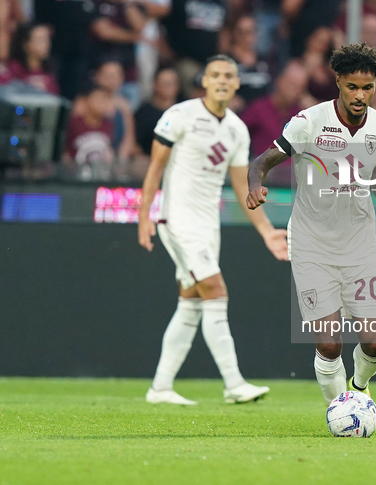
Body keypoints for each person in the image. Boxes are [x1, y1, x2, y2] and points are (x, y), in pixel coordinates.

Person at [246, 43, 376, 405]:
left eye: (367, 87)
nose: (360, 95)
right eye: (352, 86)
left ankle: (359, 389)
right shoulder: (308, 122)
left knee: (375, 343)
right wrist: (256, 184)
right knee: (330, 344)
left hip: (360, 245)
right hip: (311, 244)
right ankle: (340, 411)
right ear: (338, 82)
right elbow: (261, 162)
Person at [138, 55, 288, 405]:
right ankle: (234, 384)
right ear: (204, 81)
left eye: (229, 76)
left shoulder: (236, 128)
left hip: (208, 224)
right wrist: (144, 214)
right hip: (178, 219)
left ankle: (160, 388)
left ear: (237, 84)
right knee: (216, 291)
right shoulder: (180, 115)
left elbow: (240, 187)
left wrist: (266, 231)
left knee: (190, 302)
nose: (222, 81)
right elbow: (155, 167)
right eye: (215, 75)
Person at [63, 84, 116, 180]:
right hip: (75, 176)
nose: (102, 103)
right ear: (86, 101)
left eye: (105, 100)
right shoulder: (73, 122)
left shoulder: (108, 124)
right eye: (98, 99)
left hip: (101, 176)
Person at [135, 67, 180, 156]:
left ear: (177, 86)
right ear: (155, 85)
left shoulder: (185, 110)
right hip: (147, 161)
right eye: (164, 83)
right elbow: (135, 144)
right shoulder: (143, 112)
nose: (167, 86)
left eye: (170, 83)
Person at [7, 22, 59, 94]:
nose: (46, 44)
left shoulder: (49, 69)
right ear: (25, 44)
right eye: (40, 40)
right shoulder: (14, 69)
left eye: (47, 39)